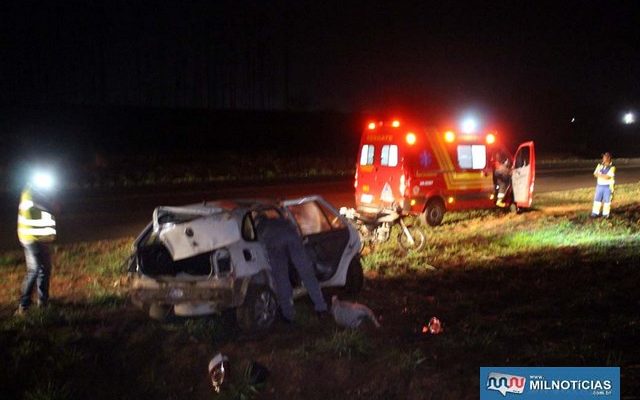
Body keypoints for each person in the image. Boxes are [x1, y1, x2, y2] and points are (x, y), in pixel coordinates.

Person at [255, 212, 328, 322]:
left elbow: (261, 248)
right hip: (292, 237)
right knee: (306, 273)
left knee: (281, 278)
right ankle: (321, 308)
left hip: (275, 245)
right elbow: (294, 227)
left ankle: (288, 314)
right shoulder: (278, 220)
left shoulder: (260, 228)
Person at [16, 178, 57, 315]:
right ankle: (24, 305)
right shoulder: (29, 194)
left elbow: (56, 209)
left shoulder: (45, 192)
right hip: (30, 238)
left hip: (43, 239)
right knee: (35, 269)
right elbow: (49, 207)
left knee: (45, 269)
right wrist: (49, 204)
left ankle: (43, 302)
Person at [591, 152, 615, 218]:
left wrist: (599, 175)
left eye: (605, 157)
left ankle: (606, 214)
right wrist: (602, 175)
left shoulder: (612, 167)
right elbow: (595, 174)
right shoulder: (600, 165)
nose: (603, 158)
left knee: (607, 201)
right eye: (603, 157)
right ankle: (595, 213)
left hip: (607, 187)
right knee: (597, 200)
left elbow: (608, 177)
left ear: (609, 158)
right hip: (599, 186)